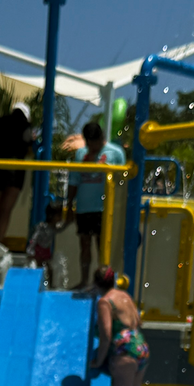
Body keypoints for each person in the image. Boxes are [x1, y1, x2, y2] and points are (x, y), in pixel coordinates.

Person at [87, 265, 149, 386]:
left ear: (96, 282)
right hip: (140, 346)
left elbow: (106, 334)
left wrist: (98, 361)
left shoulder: (105, 302)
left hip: (125, 350)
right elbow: (138, 321)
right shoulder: (125, 296)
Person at [67, 119, 125, 289]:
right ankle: (84, 280)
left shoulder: (116, 153)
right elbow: (74, 181)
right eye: (90, 143)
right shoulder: (80, 155)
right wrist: (70, 205)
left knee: (103, 246)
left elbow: (122, 183)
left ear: (102, 138)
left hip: (105, 209)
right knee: (84, 244)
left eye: (96, 142)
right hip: (84, 207)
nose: (93, 146)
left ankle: (104, 283)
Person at [0, 102, 34, 247]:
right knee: (6, 210)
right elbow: (28, 143)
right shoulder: (26, 126)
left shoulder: (0, 122)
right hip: (15, 170)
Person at [27, 201, 68, 289]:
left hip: (46, 251)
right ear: (51, 216)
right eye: (59, 215)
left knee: (49, 268)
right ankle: (35, 284)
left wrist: (67, 223)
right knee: (39, 268)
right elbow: (34, 238)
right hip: (38, 250)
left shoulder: (53, 228)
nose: (60, 218)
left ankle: (50, 285)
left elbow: (60, 229)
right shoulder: (42, 226)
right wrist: (30, 250)